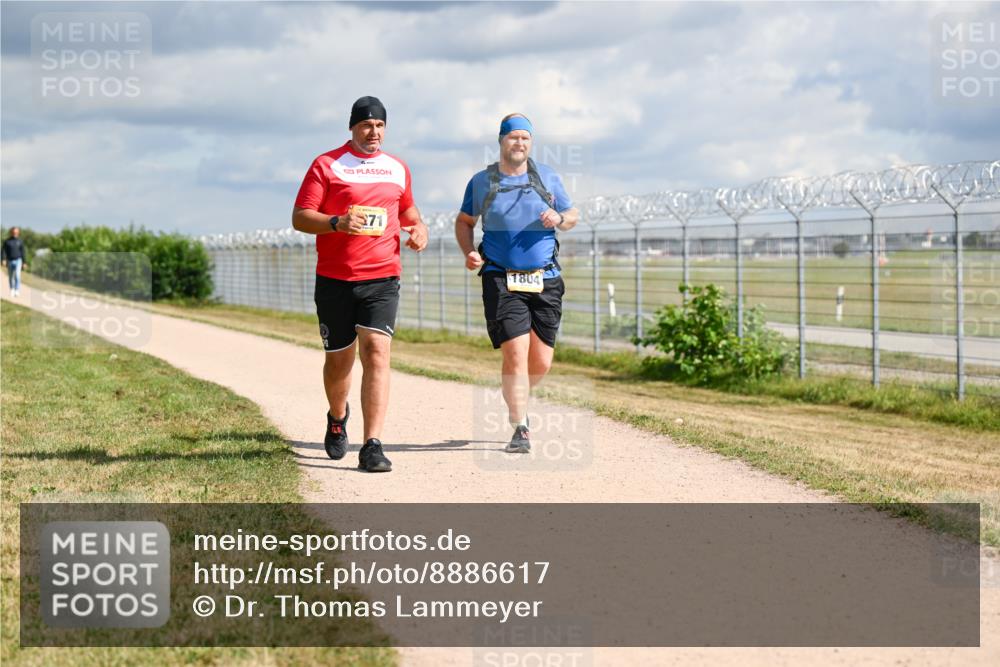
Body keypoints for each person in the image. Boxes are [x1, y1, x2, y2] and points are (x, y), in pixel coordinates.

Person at [292, 96, 428, 473]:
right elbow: (301, 217)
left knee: (377, 353)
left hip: (383, 276)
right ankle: (338, 416)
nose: (374, 132)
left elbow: (408, 210)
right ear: (352, 128)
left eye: (381, 126)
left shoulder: (397, 168)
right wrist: (336, 222)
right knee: (339, 363)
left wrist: (419, 228)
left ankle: (373, 444)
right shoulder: (327, 164)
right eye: (367, 125)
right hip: (336, 278)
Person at [454, 114, 579, 453]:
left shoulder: (548, 178)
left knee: (541, 362)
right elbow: (465, 222)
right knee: (516, 351)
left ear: (530, 143)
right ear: (501, 141)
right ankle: (520, 425)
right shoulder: (482, 181)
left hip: (546, 278)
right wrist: (469, 252)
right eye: (513, 138)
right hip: (500, 277)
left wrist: (559, 218)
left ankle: (515, 390)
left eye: (525, 138)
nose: (519, 143)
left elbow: (572, 216)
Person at [2, 227, 27, 297]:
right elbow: (3, 251)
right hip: (9, 260)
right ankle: (12, 289)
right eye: (14, 232)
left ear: (18, 233)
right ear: (11, 232)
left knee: (17, 275)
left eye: (16, 232)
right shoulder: (7, 241)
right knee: (10, 276)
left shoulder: (20, 241)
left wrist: (24, 262)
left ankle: (17, 290)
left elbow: (23, 252)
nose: (15, 233)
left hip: (18, 260)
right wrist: (3, 259)